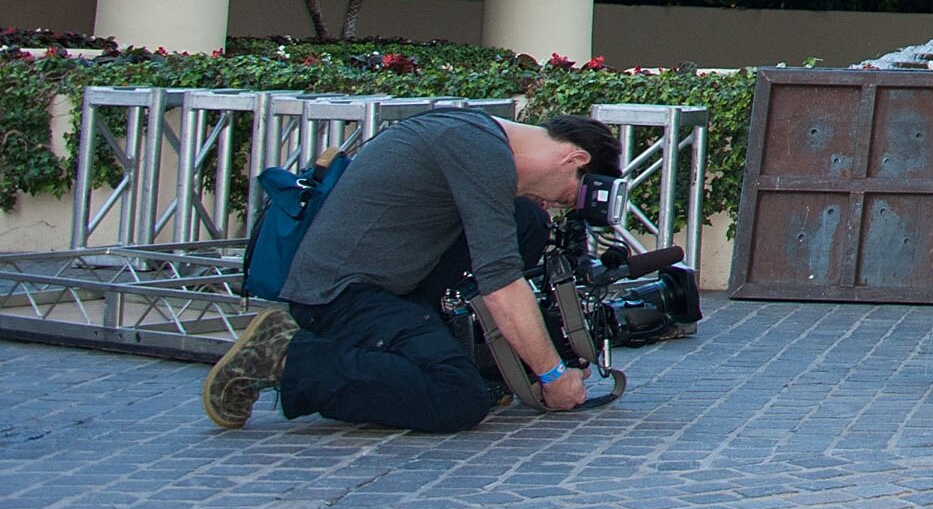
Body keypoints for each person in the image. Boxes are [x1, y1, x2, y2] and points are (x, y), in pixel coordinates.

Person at [202, 110, 622, 432]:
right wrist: (551, 375)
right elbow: (501, 283)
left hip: (391, 281)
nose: (562, 204)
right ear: (575, 158)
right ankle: (286, 355)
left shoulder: (479, 133)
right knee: (458, 397)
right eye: (570, 195)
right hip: (340, 297)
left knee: (525, 219)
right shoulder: (479, 152)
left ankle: (457, 352)